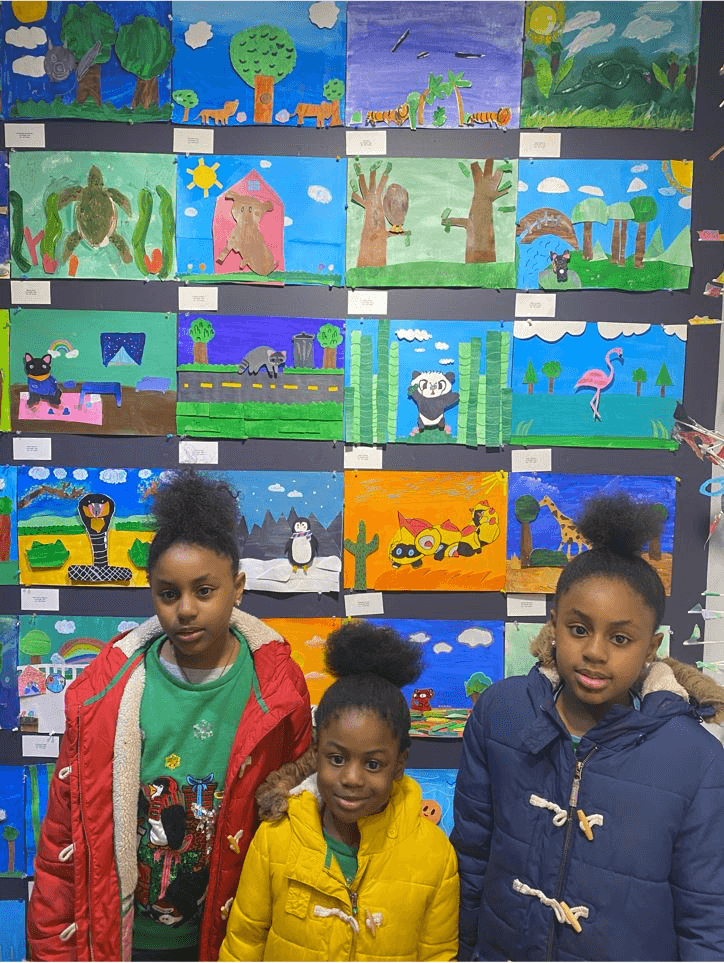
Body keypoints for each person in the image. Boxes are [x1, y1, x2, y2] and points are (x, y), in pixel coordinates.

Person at [27, 470, 312, 962]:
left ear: (237, 588)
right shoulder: (107, 692)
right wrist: (51, 948)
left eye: (204, 591)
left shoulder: (277, 689)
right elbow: (62, 838)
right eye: (168, 593)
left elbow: (299, 816)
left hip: (233, 938)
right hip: (126, 940)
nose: (185, 609)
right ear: (151, 592)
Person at [453, 493, 724, 961]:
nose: (595, 652)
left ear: (651, 647)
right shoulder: (500, 713)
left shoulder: (695, 758)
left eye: (620, 638)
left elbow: (705, 912)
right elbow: (471, 857)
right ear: (554, 625)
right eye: (579, 629)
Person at [219, 620, 459, 962]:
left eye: (373, 764)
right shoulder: (275, 839)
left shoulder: (434, 855)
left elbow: (438, 955)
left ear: (399, 764)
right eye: (337, 759)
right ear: (316, 752)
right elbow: (243, 943)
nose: (351, 778)